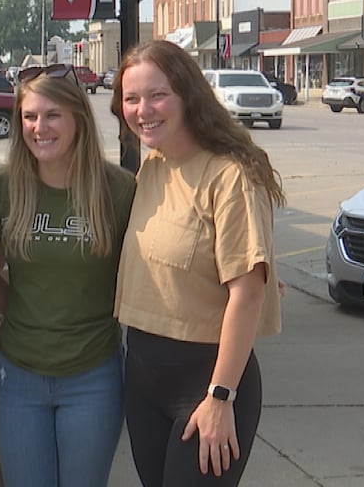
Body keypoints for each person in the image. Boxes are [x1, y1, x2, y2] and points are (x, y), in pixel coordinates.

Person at [111, 40, 284, 486]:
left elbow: (247, 292)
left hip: (208, 381)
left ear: (188, 95)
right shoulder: (152, 167)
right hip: (144, 373)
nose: (143, 109)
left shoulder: (230, 176)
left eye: (157, 95)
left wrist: (221, 397)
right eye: (132, 99)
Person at [0, 68, 135, 487]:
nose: (39, 127)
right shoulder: (2, 190)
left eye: (52, 115)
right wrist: (24, 313)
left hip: (93, 375)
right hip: (20, 376)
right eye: (29, 117)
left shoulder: (118, 190)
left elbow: (151, 269)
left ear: (77, 120)